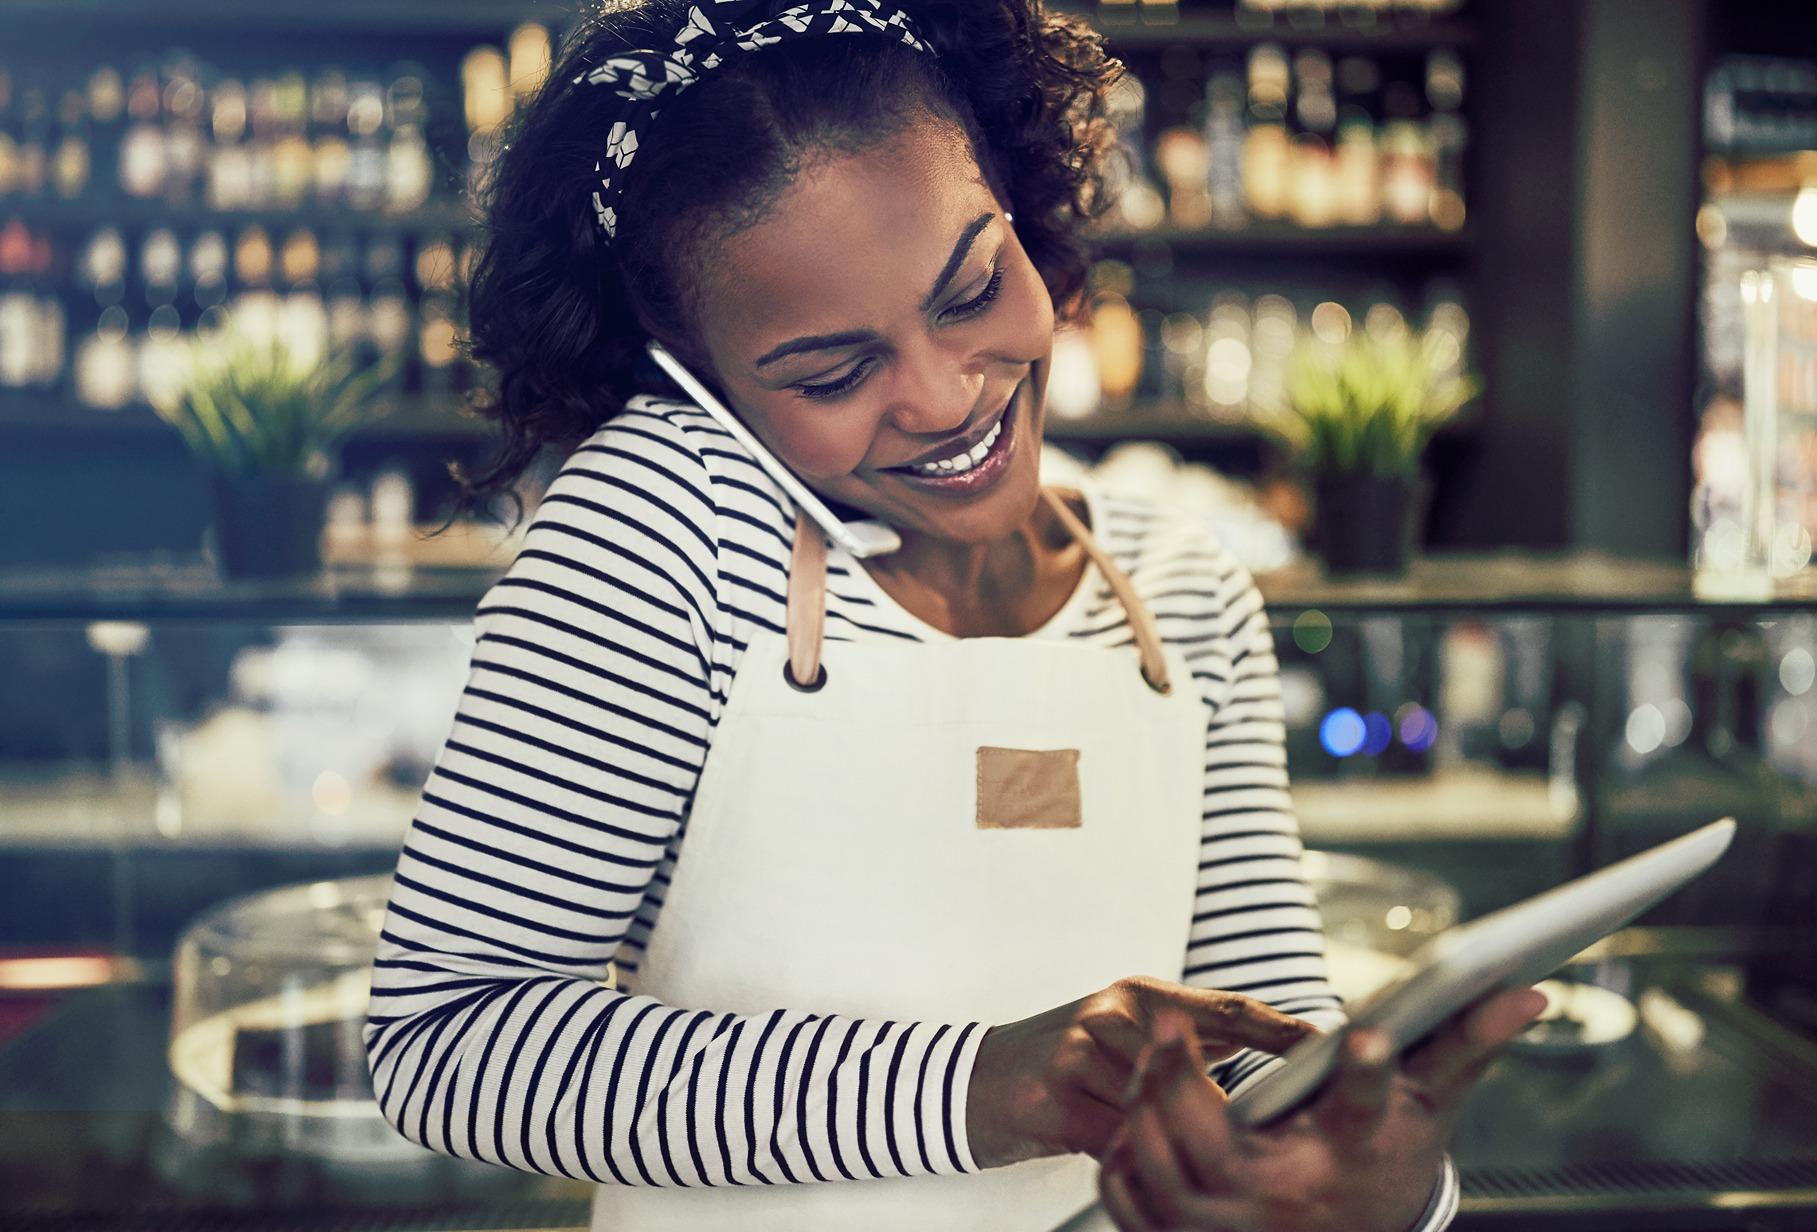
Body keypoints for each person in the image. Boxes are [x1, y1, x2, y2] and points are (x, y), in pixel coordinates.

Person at [364, 2, 1543, 1229]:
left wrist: (1381, 1186)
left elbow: (1259, 1049)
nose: (943, 396)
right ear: (690, 375)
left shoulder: (1182, 589)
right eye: (832, 372)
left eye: (974, 286)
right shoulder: (665, 525)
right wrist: (981, 1084)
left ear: (1027, 217)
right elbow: (450, 1039)